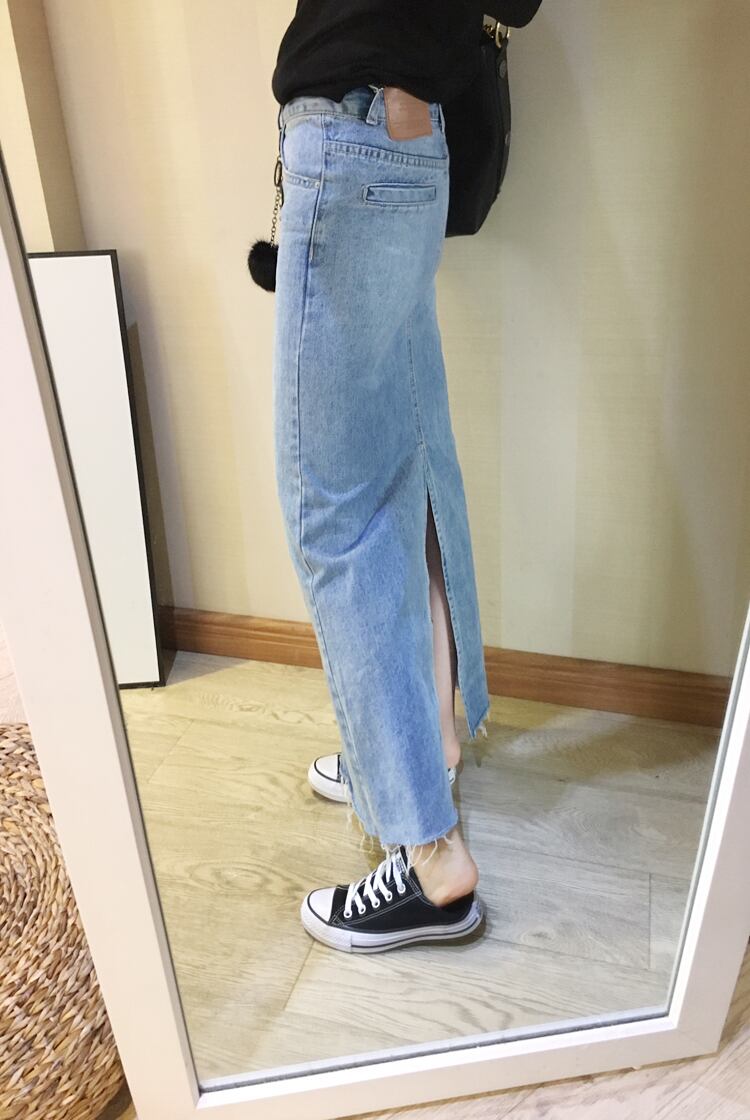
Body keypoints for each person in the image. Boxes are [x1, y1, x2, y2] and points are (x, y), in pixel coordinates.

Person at [270, 0, 543, 953]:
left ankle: (430, 859)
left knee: (338, 512)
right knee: (408, 463)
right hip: (411, 141)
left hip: (351, 138)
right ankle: (427, 748)